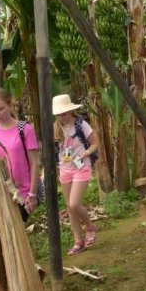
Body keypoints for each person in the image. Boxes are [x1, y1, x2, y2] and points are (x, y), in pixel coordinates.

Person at [52, 94, 98, 256]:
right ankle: (78, 241)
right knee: (70, 209)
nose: (60, 117)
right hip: (65, 170)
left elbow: (95, 143)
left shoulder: (81, 125)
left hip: (81, 167)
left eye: (63, 113)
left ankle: (90, 226)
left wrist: (85, 154)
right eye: (58, 114)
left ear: (70, 112)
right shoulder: (55, 128)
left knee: (73, 204)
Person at [0, 89, 40, 221]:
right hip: (1, 191)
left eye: (0, 109)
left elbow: (34, 162)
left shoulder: (24, 129)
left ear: (10, 106)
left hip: (22, 192)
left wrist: (33, 193)